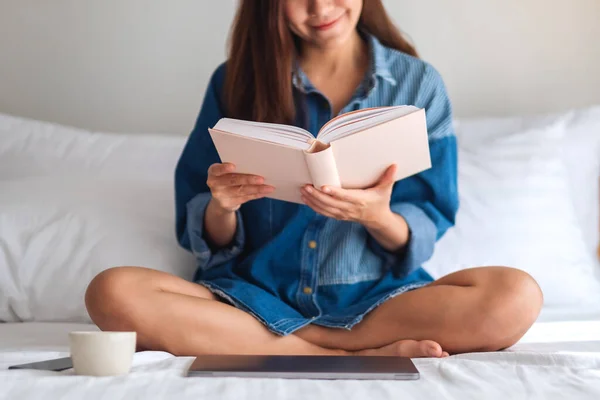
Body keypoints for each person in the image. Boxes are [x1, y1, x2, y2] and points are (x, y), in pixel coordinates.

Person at [85, 0, 543, 358]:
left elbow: (430, 215)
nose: (320, 10)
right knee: (112, 292)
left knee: (516, 296)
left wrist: (378, 216)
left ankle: (311, 345)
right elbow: (200, 229)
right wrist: (221, 206)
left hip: (376, 303)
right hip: (251, 300)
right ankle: (348, 354)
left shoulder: (417, 84)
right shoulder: (235, 81)